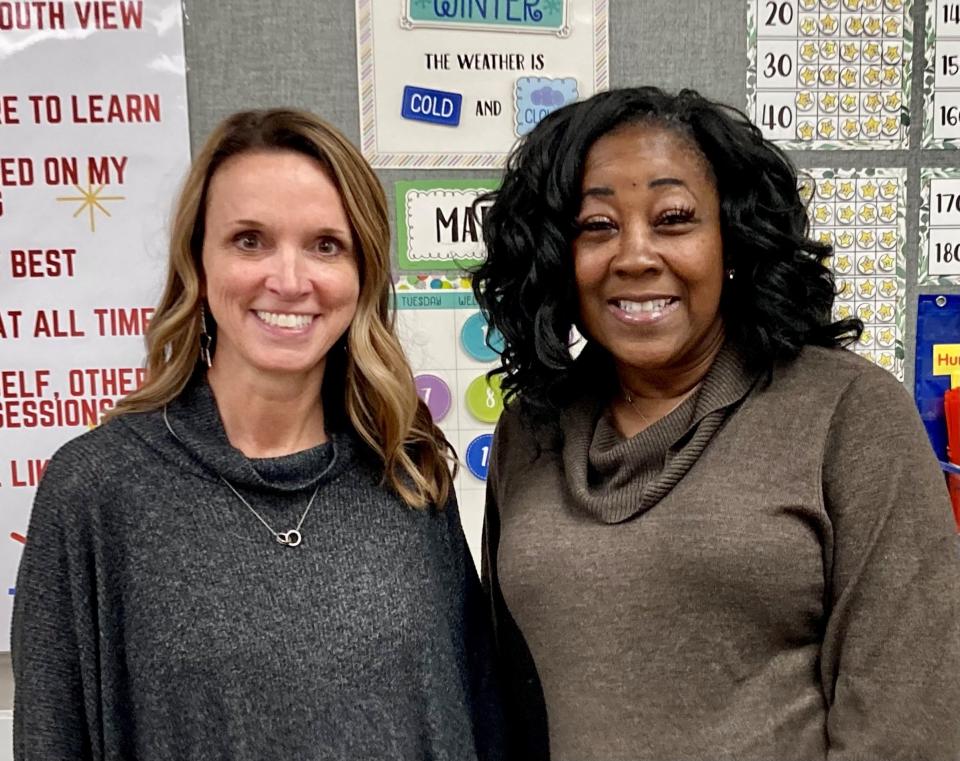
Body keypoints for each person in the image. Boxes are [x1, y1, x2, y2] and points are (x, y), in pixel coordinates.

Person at [472, 86, 960, 761]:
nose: (635, 255)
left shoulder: (850, 412)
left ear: (732, 240)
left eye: (673, 218)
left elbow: (909, 721)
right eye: (596, 226)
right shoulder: (531, 429)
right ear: (558, 257)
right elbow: (506, 694)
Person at [13, 108, 502, 761]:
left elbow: (476, 710)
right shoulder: (96, 492)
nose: (290, 280)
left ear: (363, 276)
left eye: (326, 244)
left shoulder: (405, 467)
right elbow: (52, 735)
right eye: (250, 240)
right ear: (197, 260)